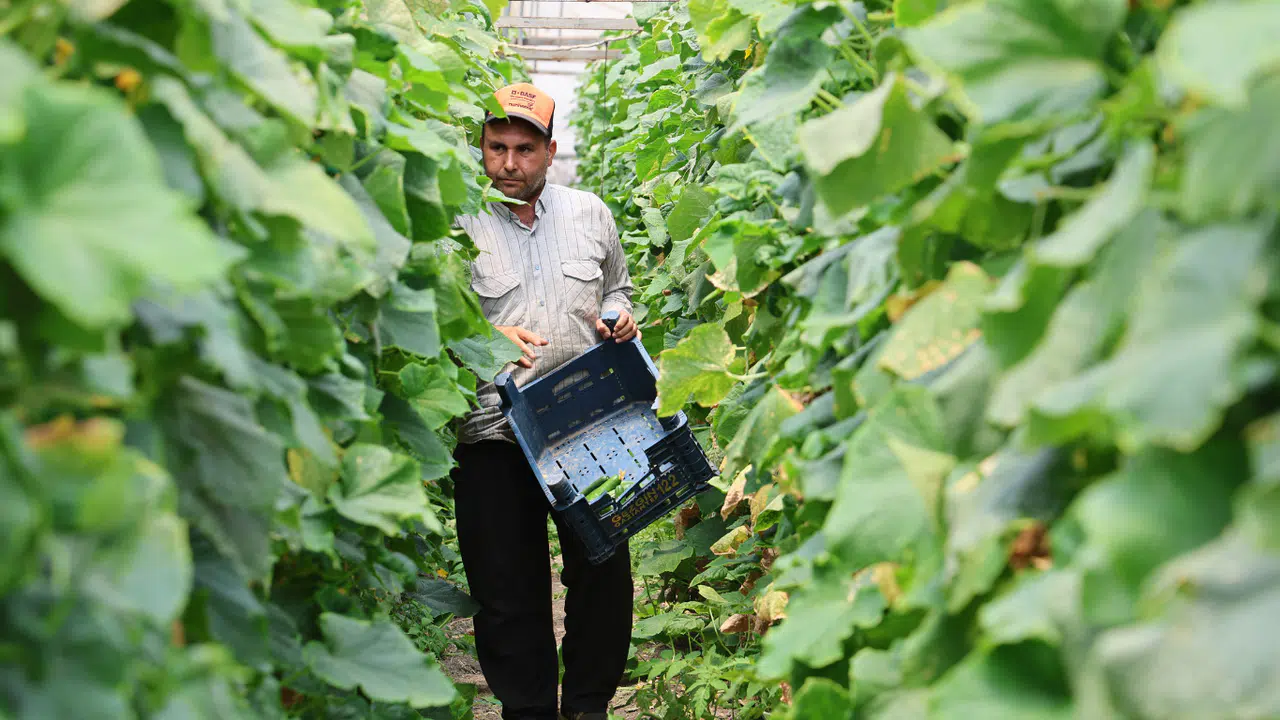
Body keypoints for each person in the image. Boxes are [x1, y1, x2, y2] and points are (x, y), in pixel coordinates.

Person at [449, 82, 638, 720]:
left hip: (586, 423)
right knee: (506, 590)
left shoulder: (590, 214)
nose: (508, 163)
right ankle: (527, 710)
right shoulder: (455, 223)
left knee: (603, 574)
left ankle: (587, 706)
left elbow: (621, 288)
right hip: (494, 433)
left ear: (550, 151)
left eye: (524, 149)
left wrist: (618, 315)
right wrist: (482, 335)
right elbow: (431, 318)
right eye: (496, 147)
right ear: (481, 147)